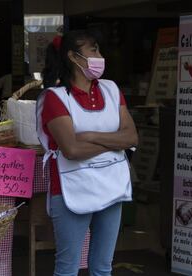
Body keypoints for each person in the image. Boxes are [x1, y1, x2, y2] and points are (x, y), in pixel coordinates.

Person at [36, 30, 138, 276]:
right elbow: (71, 150)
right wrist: (115, 142)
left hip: (111, 186)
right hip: (72, 187)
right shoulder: (54, 97)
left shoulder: (112, 90)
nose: (100, 56)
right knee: (68, 268)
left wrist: (90, 136)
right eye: (93, 50)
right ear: (73, 57)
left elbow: (132, 137)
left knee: (103, 267)